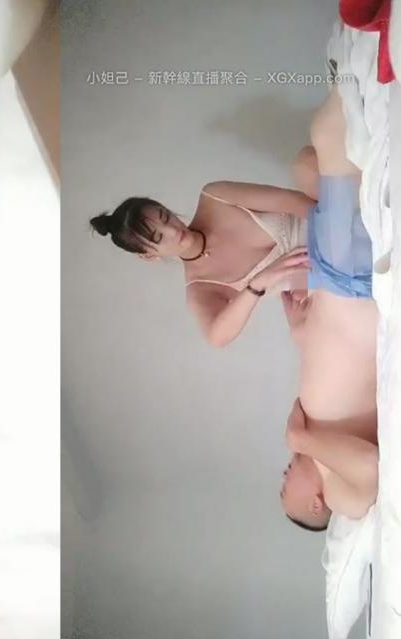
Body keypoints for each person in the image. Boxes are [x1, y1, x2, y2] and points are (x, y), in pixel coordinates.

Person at [277, 85, 379, 531]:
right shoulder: (340, 493)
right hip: (349, 288)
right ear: (315, 506)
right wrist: (300, 438)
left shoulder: (323, 453)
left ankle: (359, 85)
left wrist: (303, 336)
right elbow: (371, 465)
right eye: (285, 491)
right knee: (327, 132)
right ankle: (360, 64)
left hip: (330, 288)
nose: (282, 479)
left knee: (306, 165)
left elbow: (331, 377)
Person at [90, 157, 326, 348]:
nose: (173, 230)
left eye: (165, 216)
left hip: (327, 227)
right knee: (305, 331)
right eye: (158, 237)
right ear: (149, 256)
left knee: (305, 164)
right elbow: (217, 337)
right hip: (325, 280)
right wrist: (258, 284)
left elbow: (296, 201)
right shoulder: (201, 287)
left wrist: (331, 236)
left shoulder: (215, 197)